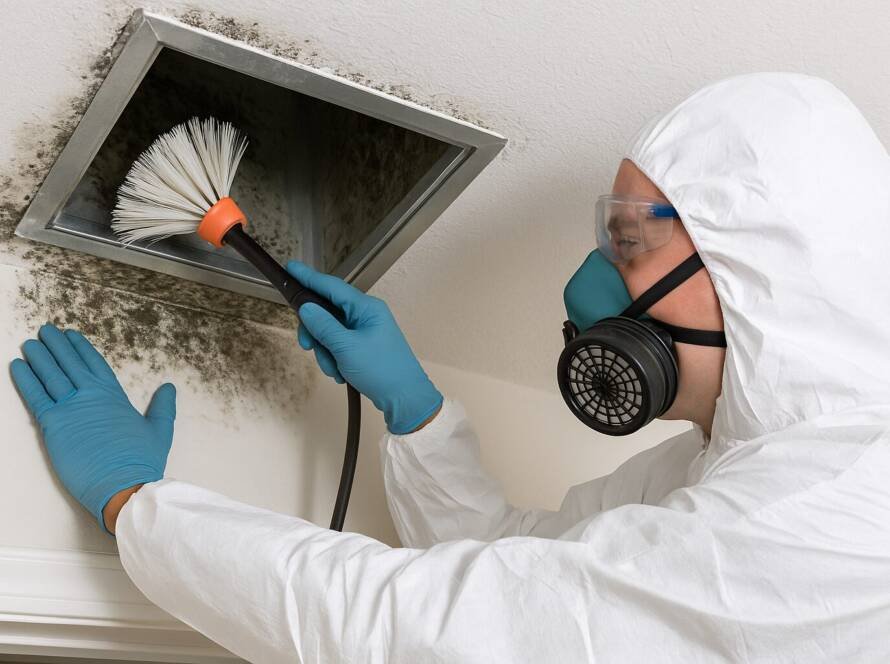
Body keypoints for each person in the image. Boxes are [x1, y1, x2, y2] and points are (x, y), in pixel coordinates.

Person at [10, 72, 890, 662]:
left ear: (761, 277)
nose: (593, 290)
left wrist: (139, 507)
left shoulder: (833, 506)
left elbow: (430, 631)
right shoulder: (713, 467)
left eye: (629, 248)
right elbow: (518, 563)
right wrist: (417, 413)